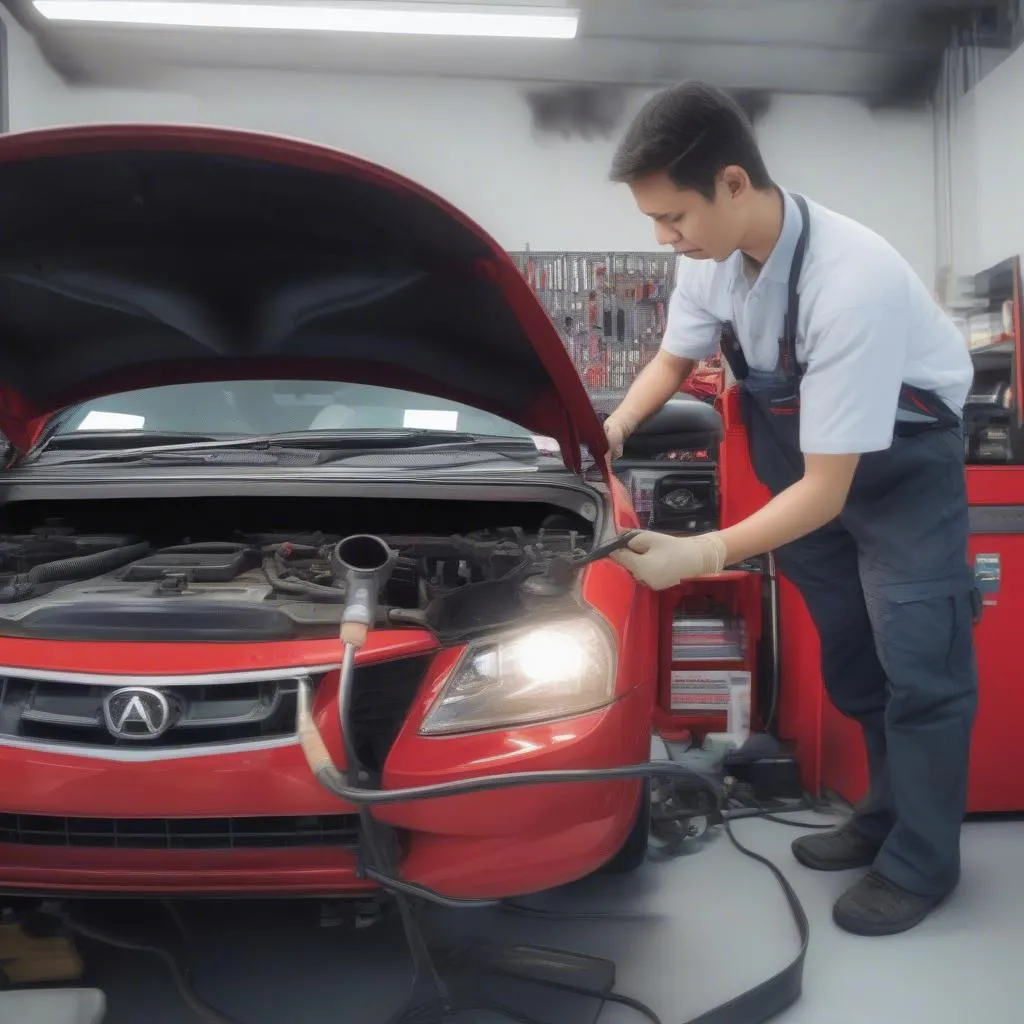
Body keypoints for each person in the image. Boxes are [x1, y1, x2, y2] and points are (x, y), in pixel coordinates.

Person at [604, 81, 978, 937]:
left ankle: (924, 864)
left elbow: (831, 487)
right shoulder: (710, 262)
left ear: (734, 185)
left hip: (897, 479)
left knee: (923, 667)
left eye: (673, 217)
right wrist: (618, 424)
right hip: (808, 481)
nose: (664, 238)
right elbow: (673, 358)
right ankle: (884, 817)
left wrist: (701, 555)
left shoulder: (852, 279)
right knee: (856, 664)